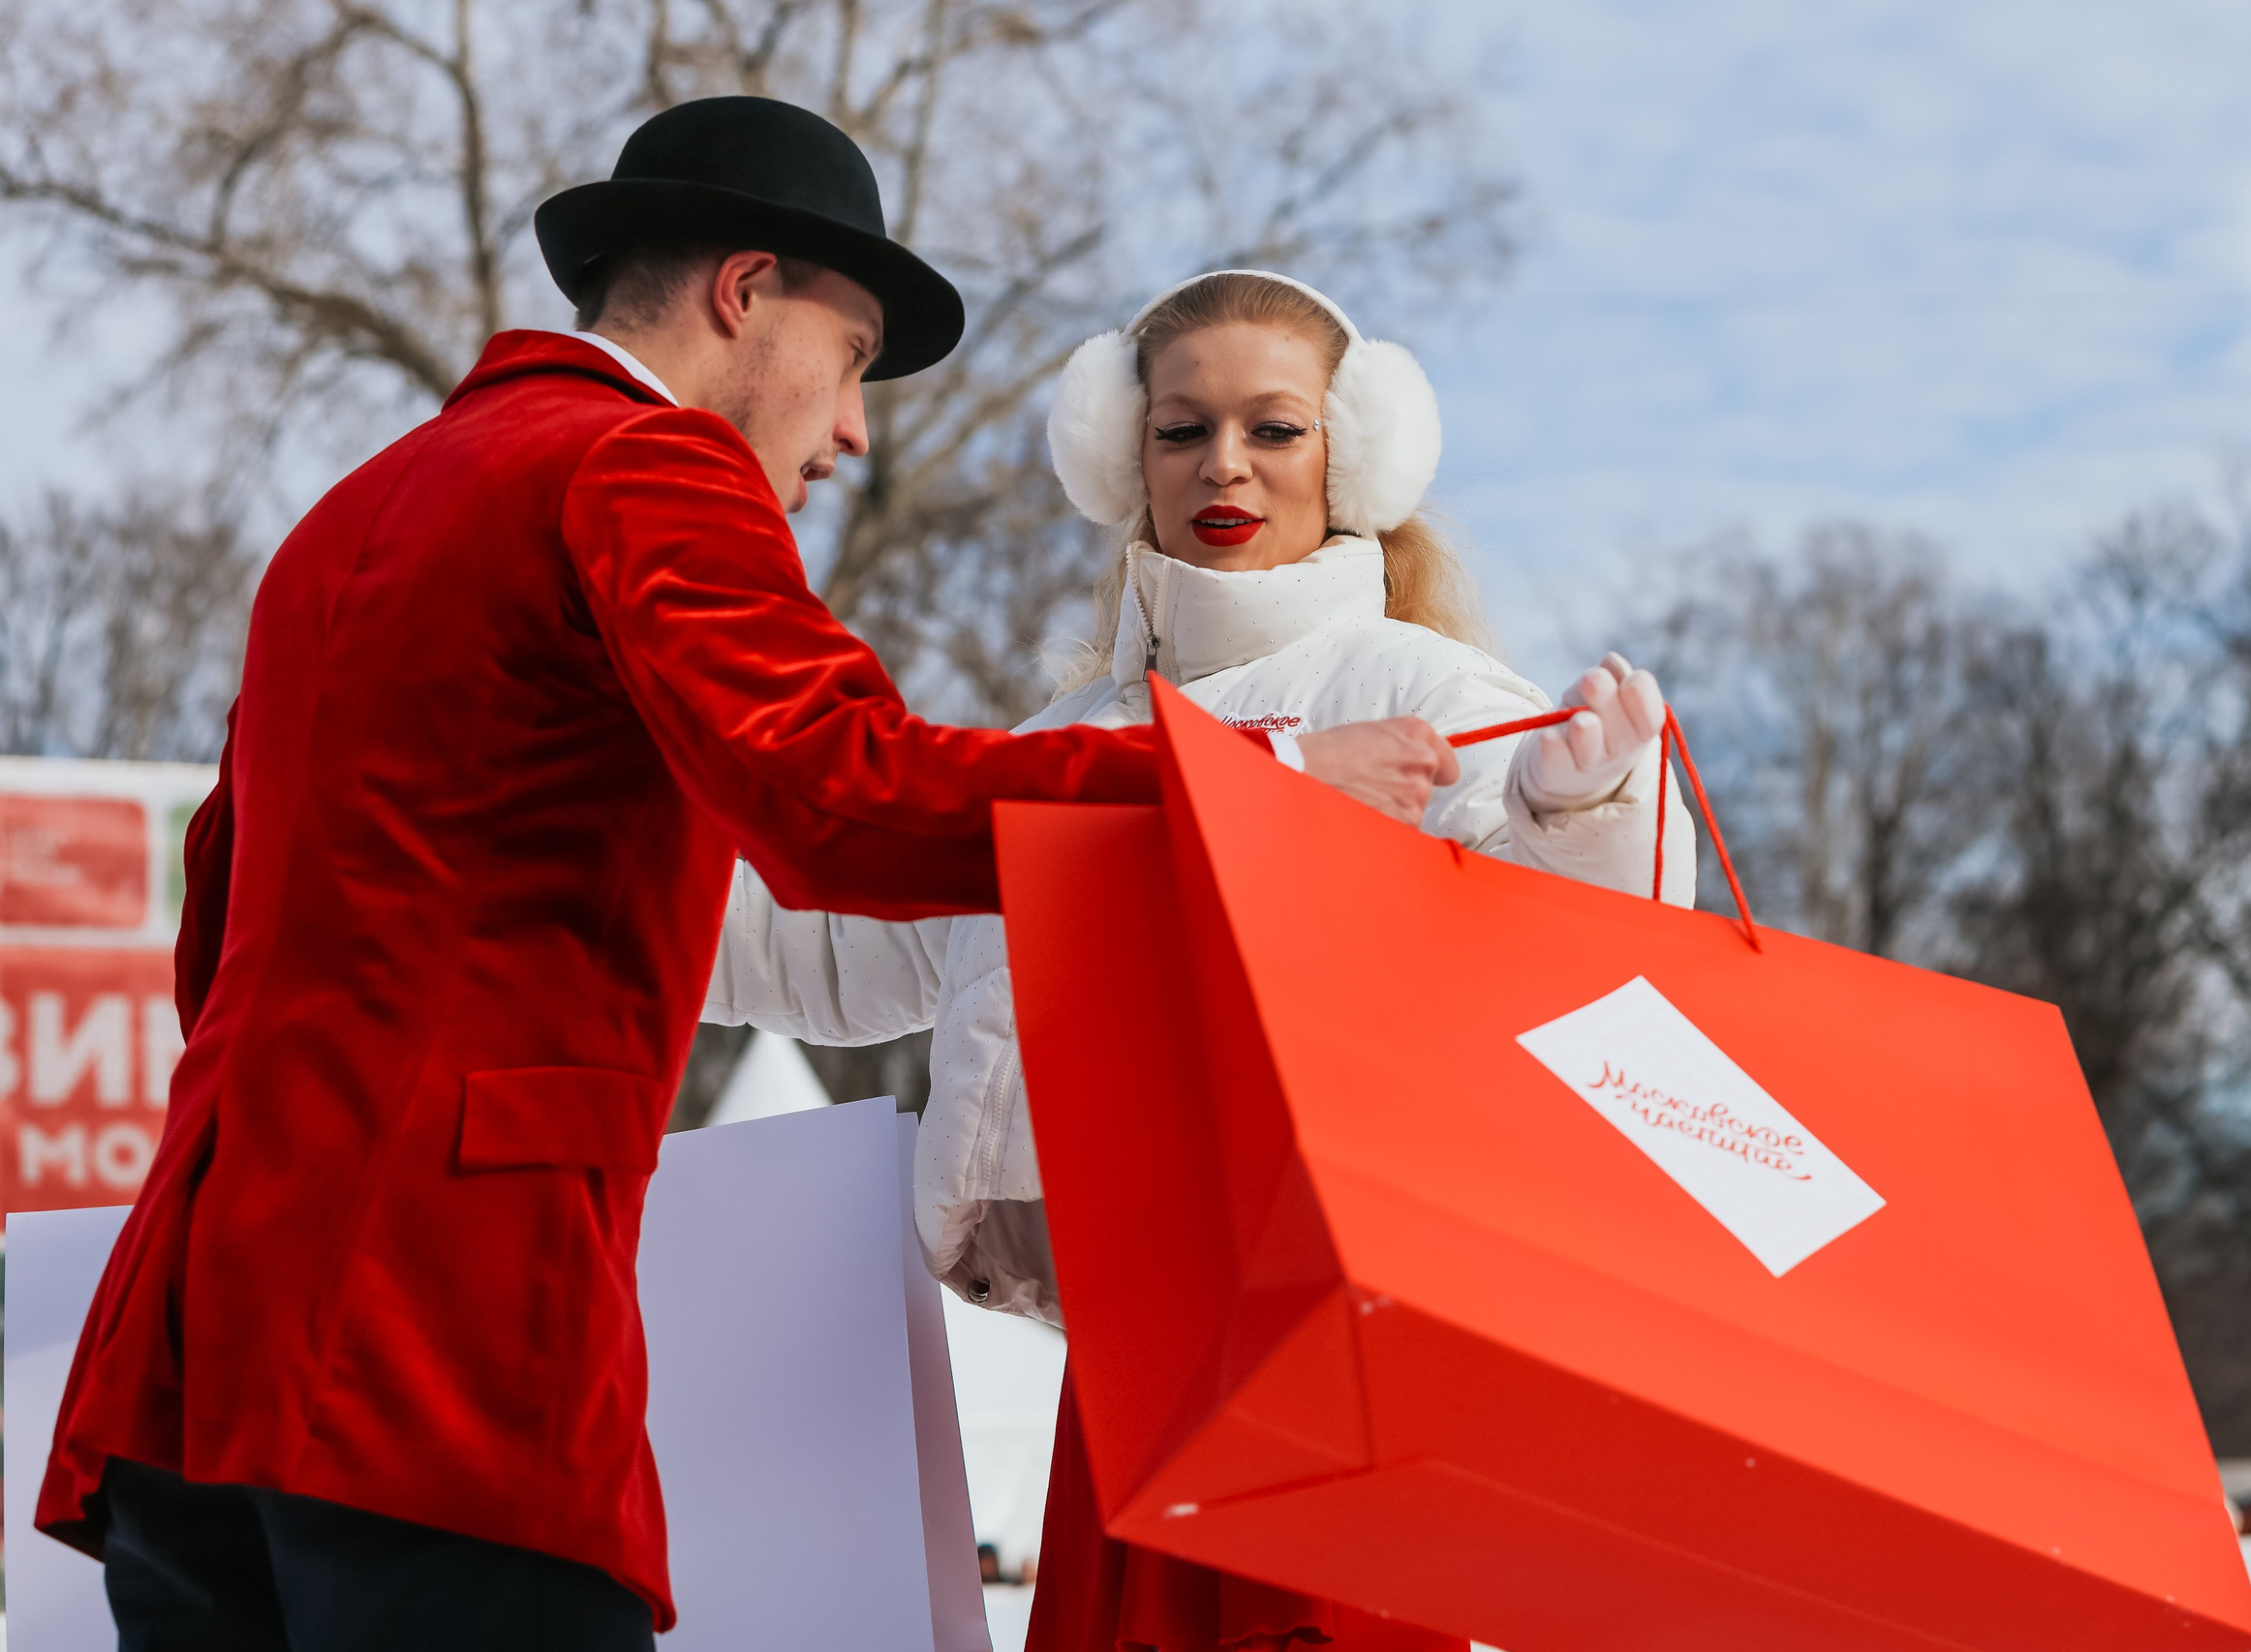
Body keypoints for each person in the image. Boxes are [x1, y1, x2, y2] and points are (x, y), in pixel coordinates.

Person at [33, 103, 1452, 1652]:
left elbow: (220, 898)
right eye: (850, 360)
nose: (852, 431)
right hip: (441, 1349)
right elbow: (839, 788)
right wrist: (1240, 783)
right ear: (743, 292)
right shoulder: (646, 465)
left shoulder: (354, 511)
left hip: (188, 1361)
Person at [706, 269, 1696, 1650]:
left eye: (1273, 428)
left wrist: (1582, 808)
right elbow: (841, 933)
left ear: (1352, 453)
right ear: (1124, 455)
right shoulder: (1070, 741)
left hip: (1342, 1374)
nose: (1224, 463)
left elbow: (1567, 954)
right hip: (1127, 1375)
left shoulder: (1425, 692)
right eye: (1181, 430)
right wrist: (596, 879)